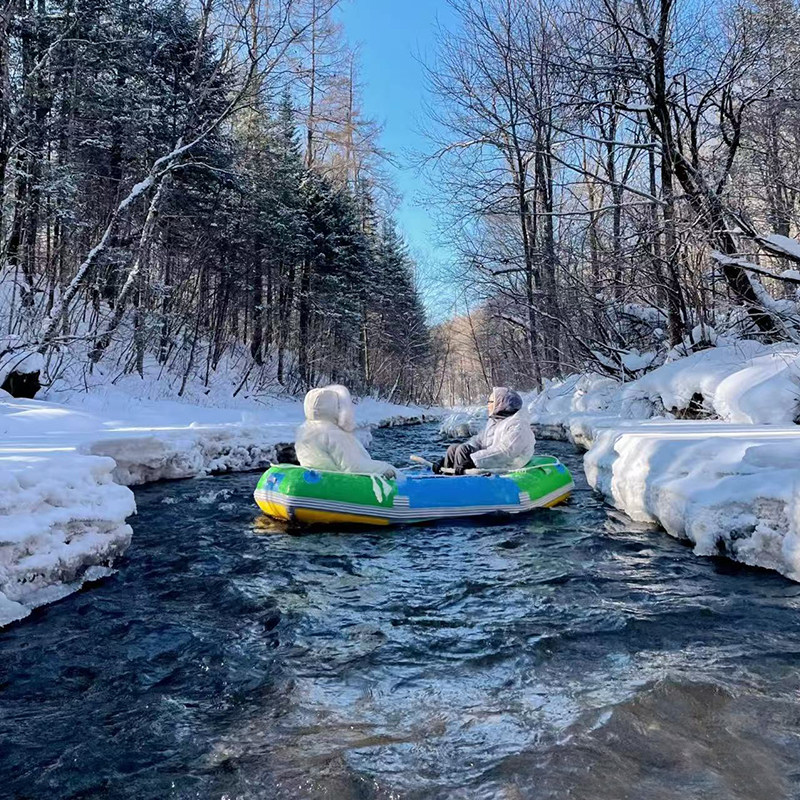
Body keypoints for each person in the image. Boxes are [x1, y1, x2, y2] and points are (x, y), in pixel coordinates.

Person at [295, 384, 397, 478]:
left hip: (319, 479)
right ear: (333, 407)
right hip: (337, 483)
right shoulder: (332, 433)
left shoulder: (304, 429)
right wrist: (385, 468)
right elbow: (354, 466)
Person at [435, 387, 535, 475]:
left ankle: (462, 487)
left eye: (491, 402)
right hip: (490, 460)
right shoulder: (495, 421)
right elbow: (478, 441)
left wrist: (473, 460)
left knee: (463, 452)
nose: (488, 405)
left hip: (507, 464)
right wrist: (449, 461)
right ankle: (446, 476)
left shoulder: (518, 425)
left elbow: (505, 452)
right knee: (454, 449)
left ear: (501, 404)